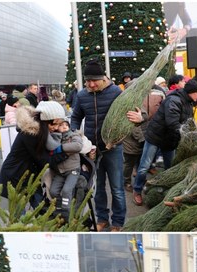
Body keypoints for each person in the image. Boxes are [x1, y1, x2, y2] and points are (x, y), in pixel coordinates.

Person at [70, 59, 126, 232]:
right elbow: (76, 117)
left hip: (113, 147)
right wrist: (73, 133)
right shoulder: (81, 95)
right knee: (97, 186)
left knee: (116, 187)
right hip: (91, 149)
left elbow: (132, 114)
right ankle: (102, 219)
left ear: (104, 78)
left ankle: (118, 222)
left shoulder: (117, 92)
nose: (91, 84)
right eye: (88, 81)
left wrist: (141, 118)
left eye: (94, 80)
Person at [132, 80, 197, 206]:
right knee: (144, 167)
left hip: (170, 139)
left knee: (170, 167)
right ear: (190, 92)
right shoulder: (174, 100)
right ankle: (137, 191)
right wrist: (188, 135)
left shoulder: (189, 102)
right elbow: (172, 123)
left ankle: (168, 192)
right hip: (156, 136)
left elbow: (188, 121)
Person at [0, 101, 68, 208]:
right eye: (54, 124)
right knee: (19, 216)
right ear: (45, 121)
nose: (56, 127)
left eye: (59, 124)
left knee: (40, 210)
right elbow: (44, 159)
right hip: (16, 177)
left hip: (30, 177)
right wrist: (65, 153)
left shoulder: (42, 132)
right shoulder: (31, 134)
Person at [45, 119, 94, 219]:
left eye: (66, 125)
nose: (64, 126)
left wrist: (62, 148)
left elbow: (78, 146)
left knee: (67, 190)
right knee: (53, 191)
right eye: (61, 125)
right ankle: (59, 208)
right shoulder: (54, 138)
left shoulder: (73, 135)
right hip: (60, 172)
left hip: (73, 170)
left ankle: (66, 213)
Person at [122, 79, 164, 192]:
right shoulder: (123, 104)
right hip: (130, 140)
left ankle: (139, 180)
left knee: (141, 161)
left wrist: (143, 118)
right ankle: (126, 182)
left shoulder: (139, 101)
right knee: (128, 163)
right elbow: (129, 125)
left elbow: (144, 115)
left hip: (143, 137)